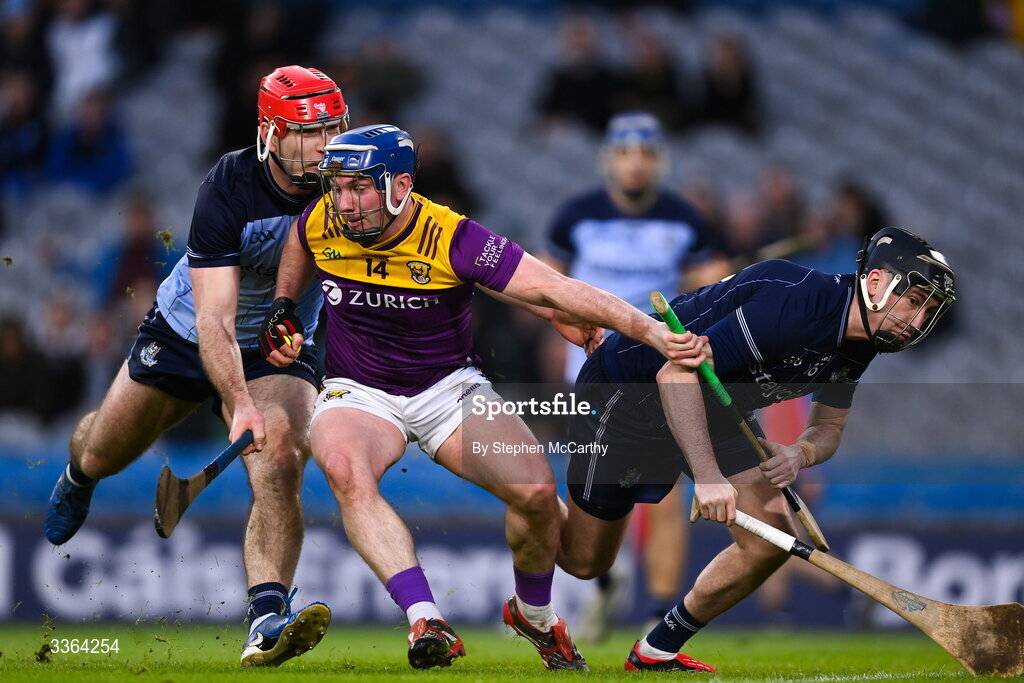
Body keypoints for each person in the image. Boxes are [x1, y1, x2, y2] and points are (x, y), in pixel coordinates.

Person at [261, 123, 694, 671]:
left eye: (359, 188)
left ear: (399, 186)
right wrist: (282, 306)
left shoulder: (452, 237)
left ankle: (534, 616)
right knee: (347, 473)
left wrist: (647, 331)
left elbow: (557, 287)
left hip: (448, 390)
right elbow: (301, 244)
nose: (345, 203)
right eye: (337, 187)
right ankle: (425, 619)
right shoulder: (324, 218)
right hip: (358, 390)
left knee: (537, 494)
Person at [43, 65, 350, 668]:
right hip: (190, 331)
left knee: (282, 458)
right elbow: (214, 319)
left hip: (280, 342)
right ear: (271, 134)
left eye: (334, 130)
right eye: (310, 134)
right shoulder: (229, 186)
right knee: (104, 448)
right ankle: (78, 476)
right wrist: (237, 403)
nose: (326, 147)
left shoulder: (349, 185)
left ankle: (266, 618)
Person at [556, 227, 956, 671]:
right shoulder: (794, 305)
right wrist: (707, 477)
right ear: (877, 282)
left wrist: (799, 454)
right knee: (585, 561)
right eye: (915, 301)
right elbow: (674, 375)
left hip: (716, 404)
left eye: (928, 311)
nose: (918, 321)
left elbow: (828, 425)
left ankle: (655, 651)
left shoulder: (862, 343)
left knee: (770, 539)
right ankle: (535, 509)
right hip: (630, 394)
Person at [543, 111, 725, 641]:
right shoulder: (573, 218)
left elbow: (702, 286)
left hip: (652, 374)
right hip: (589, 375)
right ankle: (602, 582)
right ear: (610, 159)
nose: (636, 164)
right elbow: (548, 291)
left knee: (664, 494)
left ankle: (657, 609)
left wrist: (714, 274)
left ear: (659, 160)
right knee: (587, 494)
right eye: (626, 152)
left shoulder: (686, 220)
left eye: (646, 153)